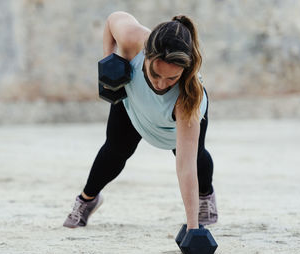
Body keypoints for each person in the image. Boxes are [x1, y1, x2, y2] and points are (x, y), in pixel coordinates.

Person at [63, 11, 217, 231]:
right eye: (155, 74)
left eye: (172, 78)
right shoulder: (132, 38)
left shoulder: (189, 97)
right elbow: (112, 19)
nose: (161, 84)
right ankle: (87, 200)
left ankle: (205, 197)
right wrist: (109, 63)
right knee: (114, 150)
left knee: (196, 157)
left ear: (185, 69)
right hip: (133, 100)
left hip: (171, 121)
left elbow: (185, 168)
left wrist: (193, 228)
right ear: (146, 55)